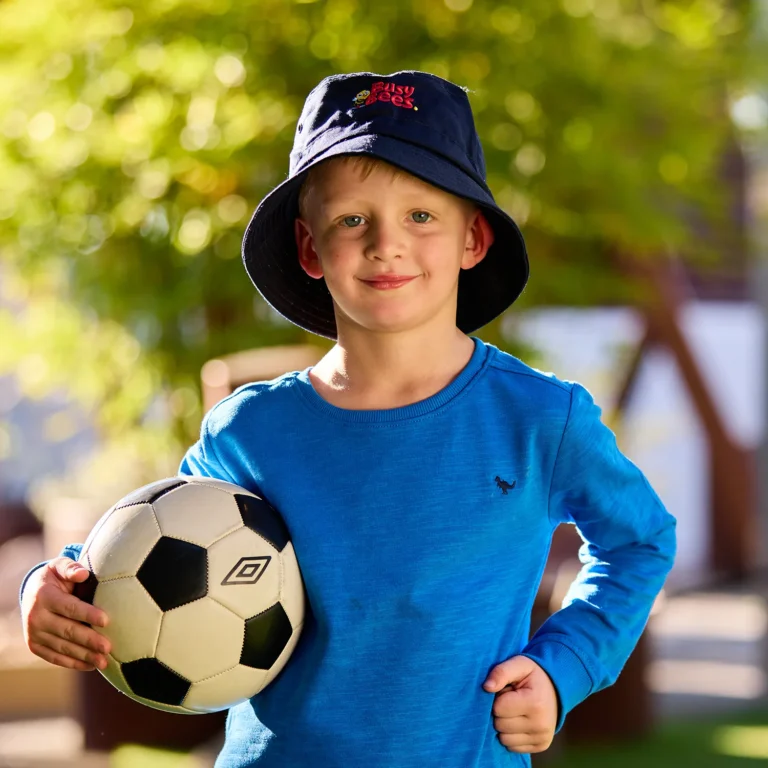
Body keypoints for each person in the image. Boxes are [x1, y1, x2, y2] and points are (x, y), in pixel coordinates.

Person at [19, 70, 677, 767]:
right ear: (310, 248)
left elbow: (640, 543)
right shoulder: (250, 432)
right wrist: (52, 587)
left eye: (421, 216)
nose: (385, 243)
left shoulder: (541, 418)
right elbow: (154, 545)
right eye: (351, 219)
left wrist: (561, 668)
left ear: (472, 240)